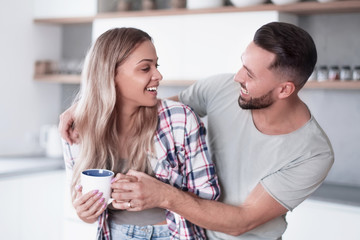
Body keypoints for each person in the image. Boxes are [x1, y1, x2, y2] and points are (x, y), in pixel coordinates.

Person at [60, 22, 334, 239]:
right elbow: (153, 107)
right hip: (186, 228)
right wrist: (88, 108)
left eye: (250, 74)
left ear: (284, 89)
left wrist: (162, 194)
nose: (237, 76)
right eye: (243, 64)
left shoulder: (312, 153)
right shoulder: (223, 89)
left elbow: (243, 222)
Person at [61, 27, 220, 240]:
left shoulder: (179, 120)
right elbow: (84, 206)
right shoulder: (77, 128)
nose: (158, 75)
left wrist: (162, 196)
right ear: (110, 75)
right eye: (145, 68)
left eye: (156, 65)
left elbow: (209, 200)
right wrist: (85, 213)